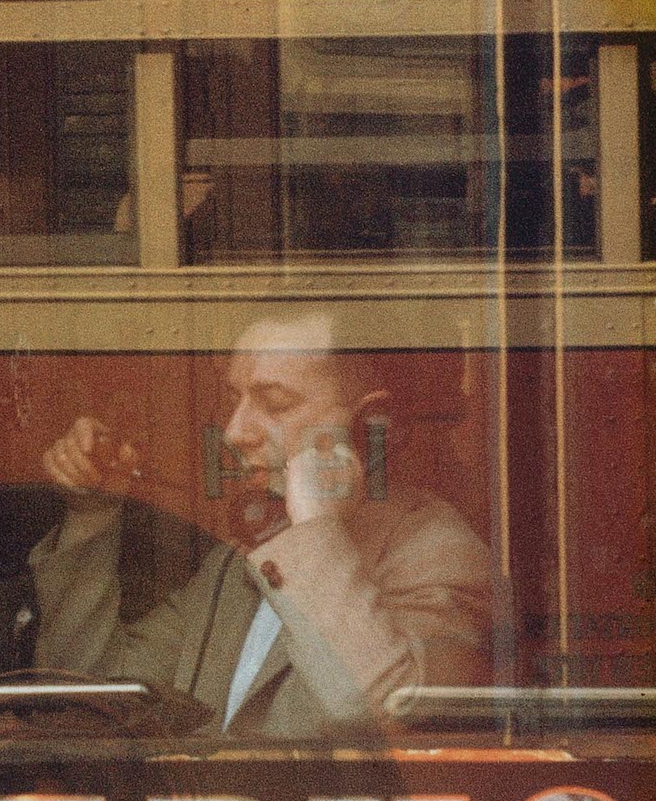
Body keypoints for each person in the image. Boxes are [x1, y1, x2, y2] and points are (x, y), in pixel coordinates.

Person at [29, 308, 492, 737]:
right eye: (235, 399)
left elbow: (377, 712)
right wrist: (92, 515)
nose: (234, 432)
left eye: (275, 404)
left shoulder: (439, 554)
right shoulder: (244, 562)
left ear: (375, 424)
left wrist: (314, 532)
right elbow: (94, 694)